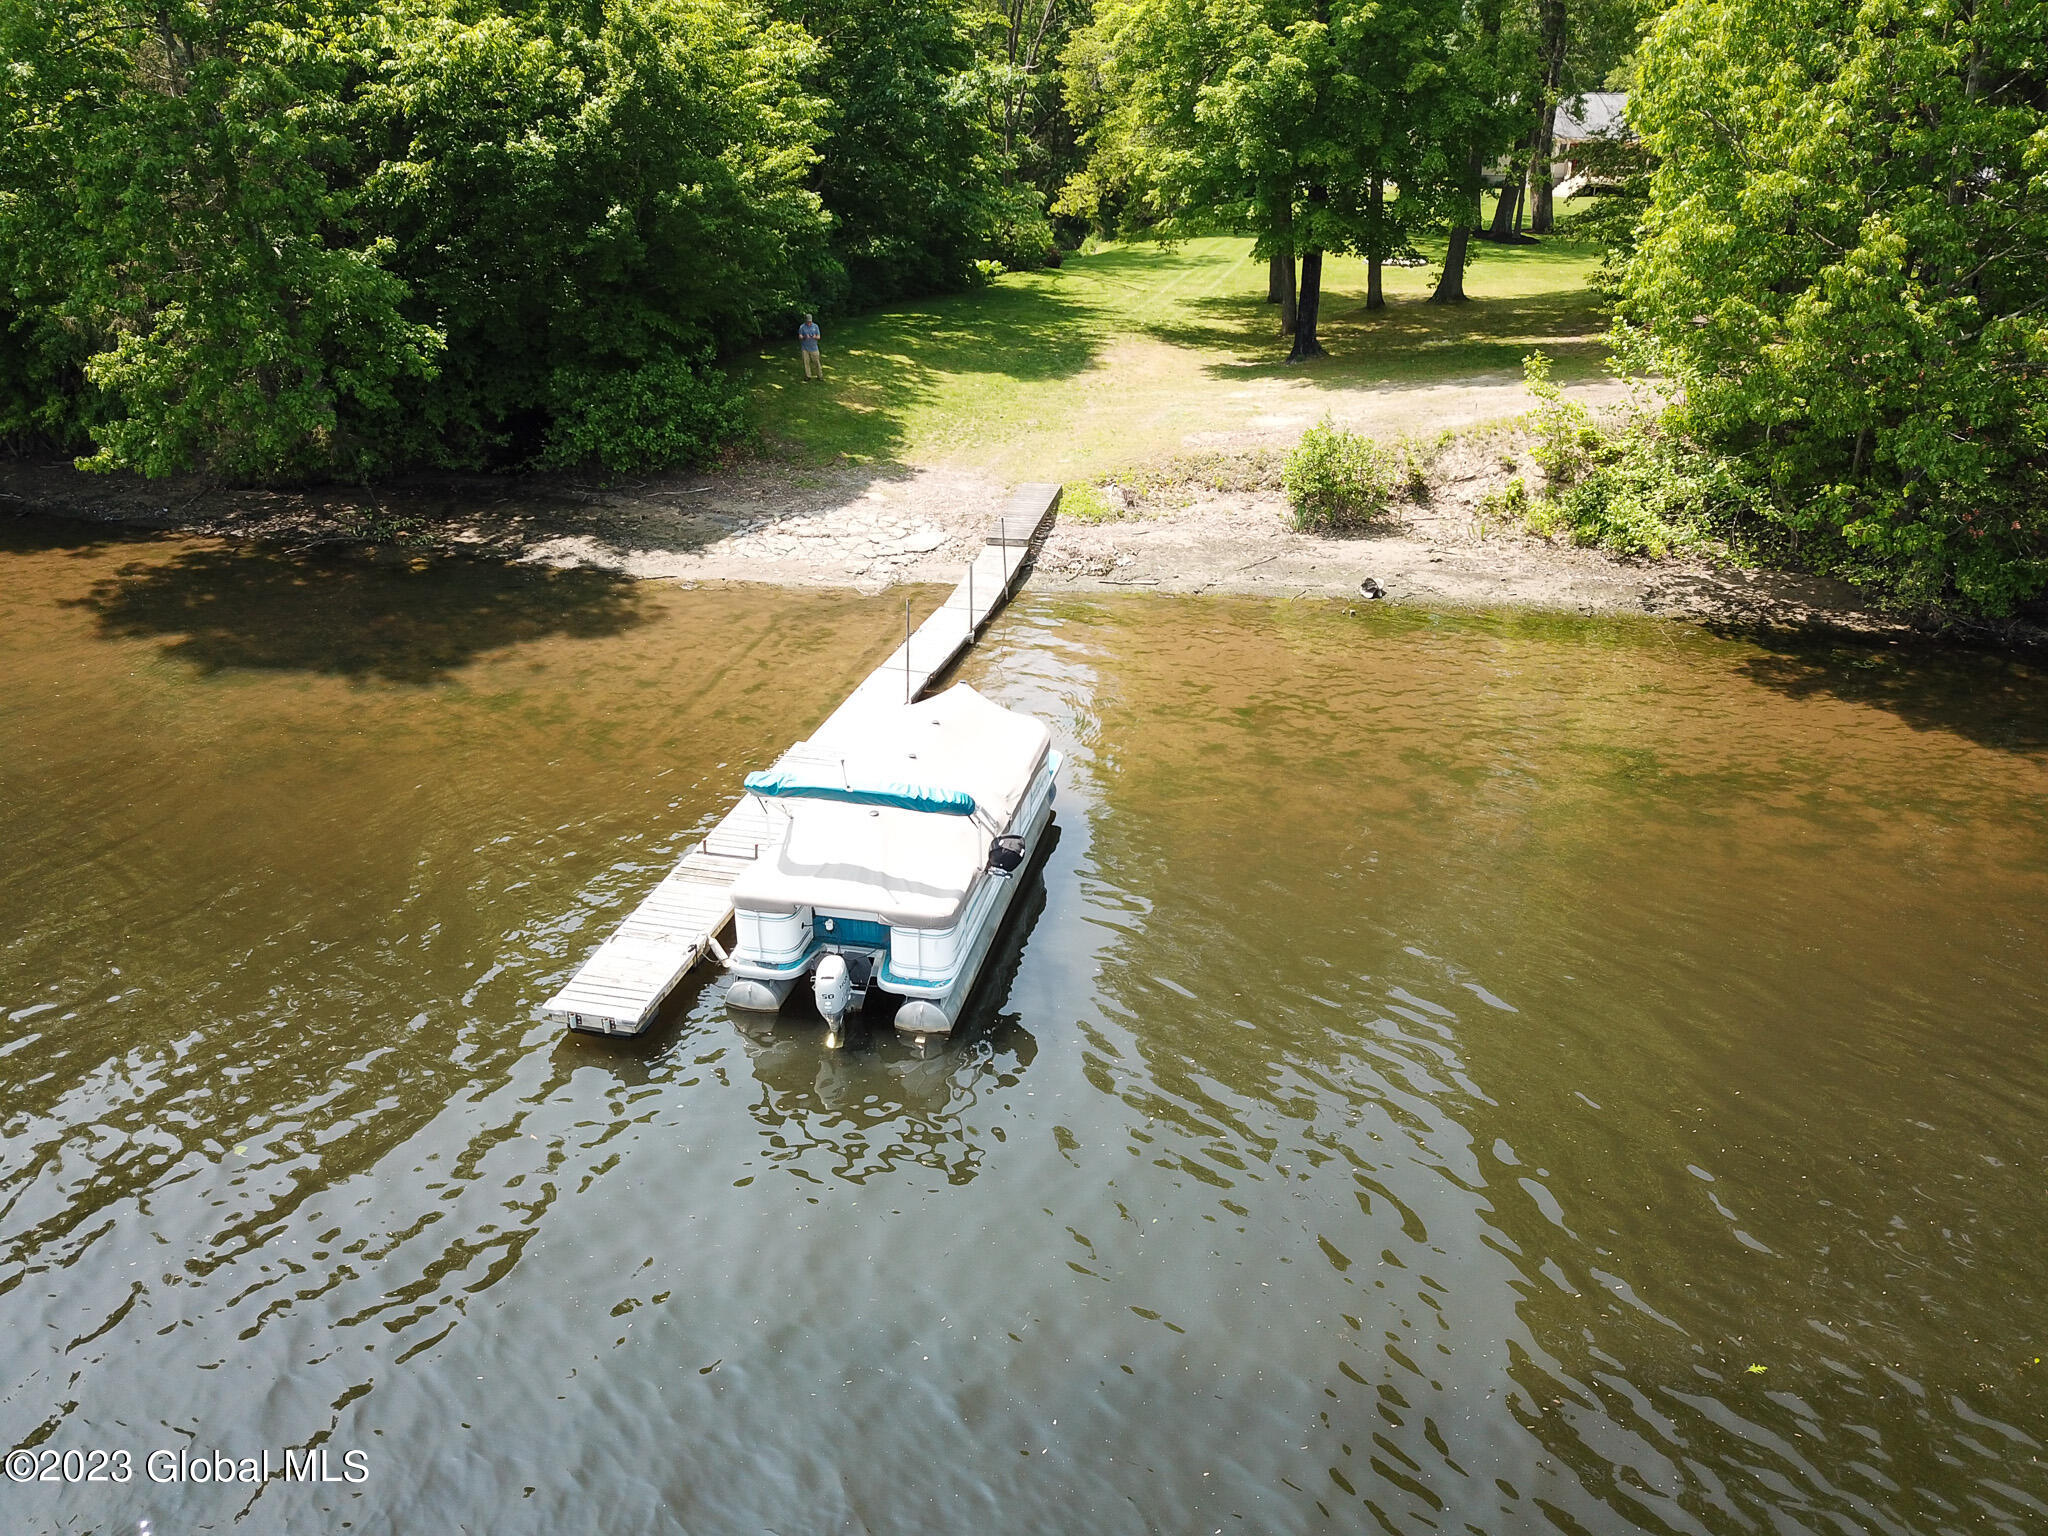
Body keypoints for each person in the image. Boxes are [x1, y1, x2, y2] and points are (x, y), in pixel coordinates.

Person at [798, 314, 822, 380]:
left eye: (810, 321)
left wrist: (815, 337)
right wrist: (804, 337)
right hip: (805, 348)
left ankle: (820, 376)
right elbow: (800, 336)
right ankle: (808, 376)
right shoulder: (802, 327)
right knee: (806, 362)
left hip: (814, 348)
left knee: (817, 362)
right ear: (805, 321)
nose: (809, 323)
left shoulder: (815, 326)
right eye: (808, 322)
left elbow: (819, 337)